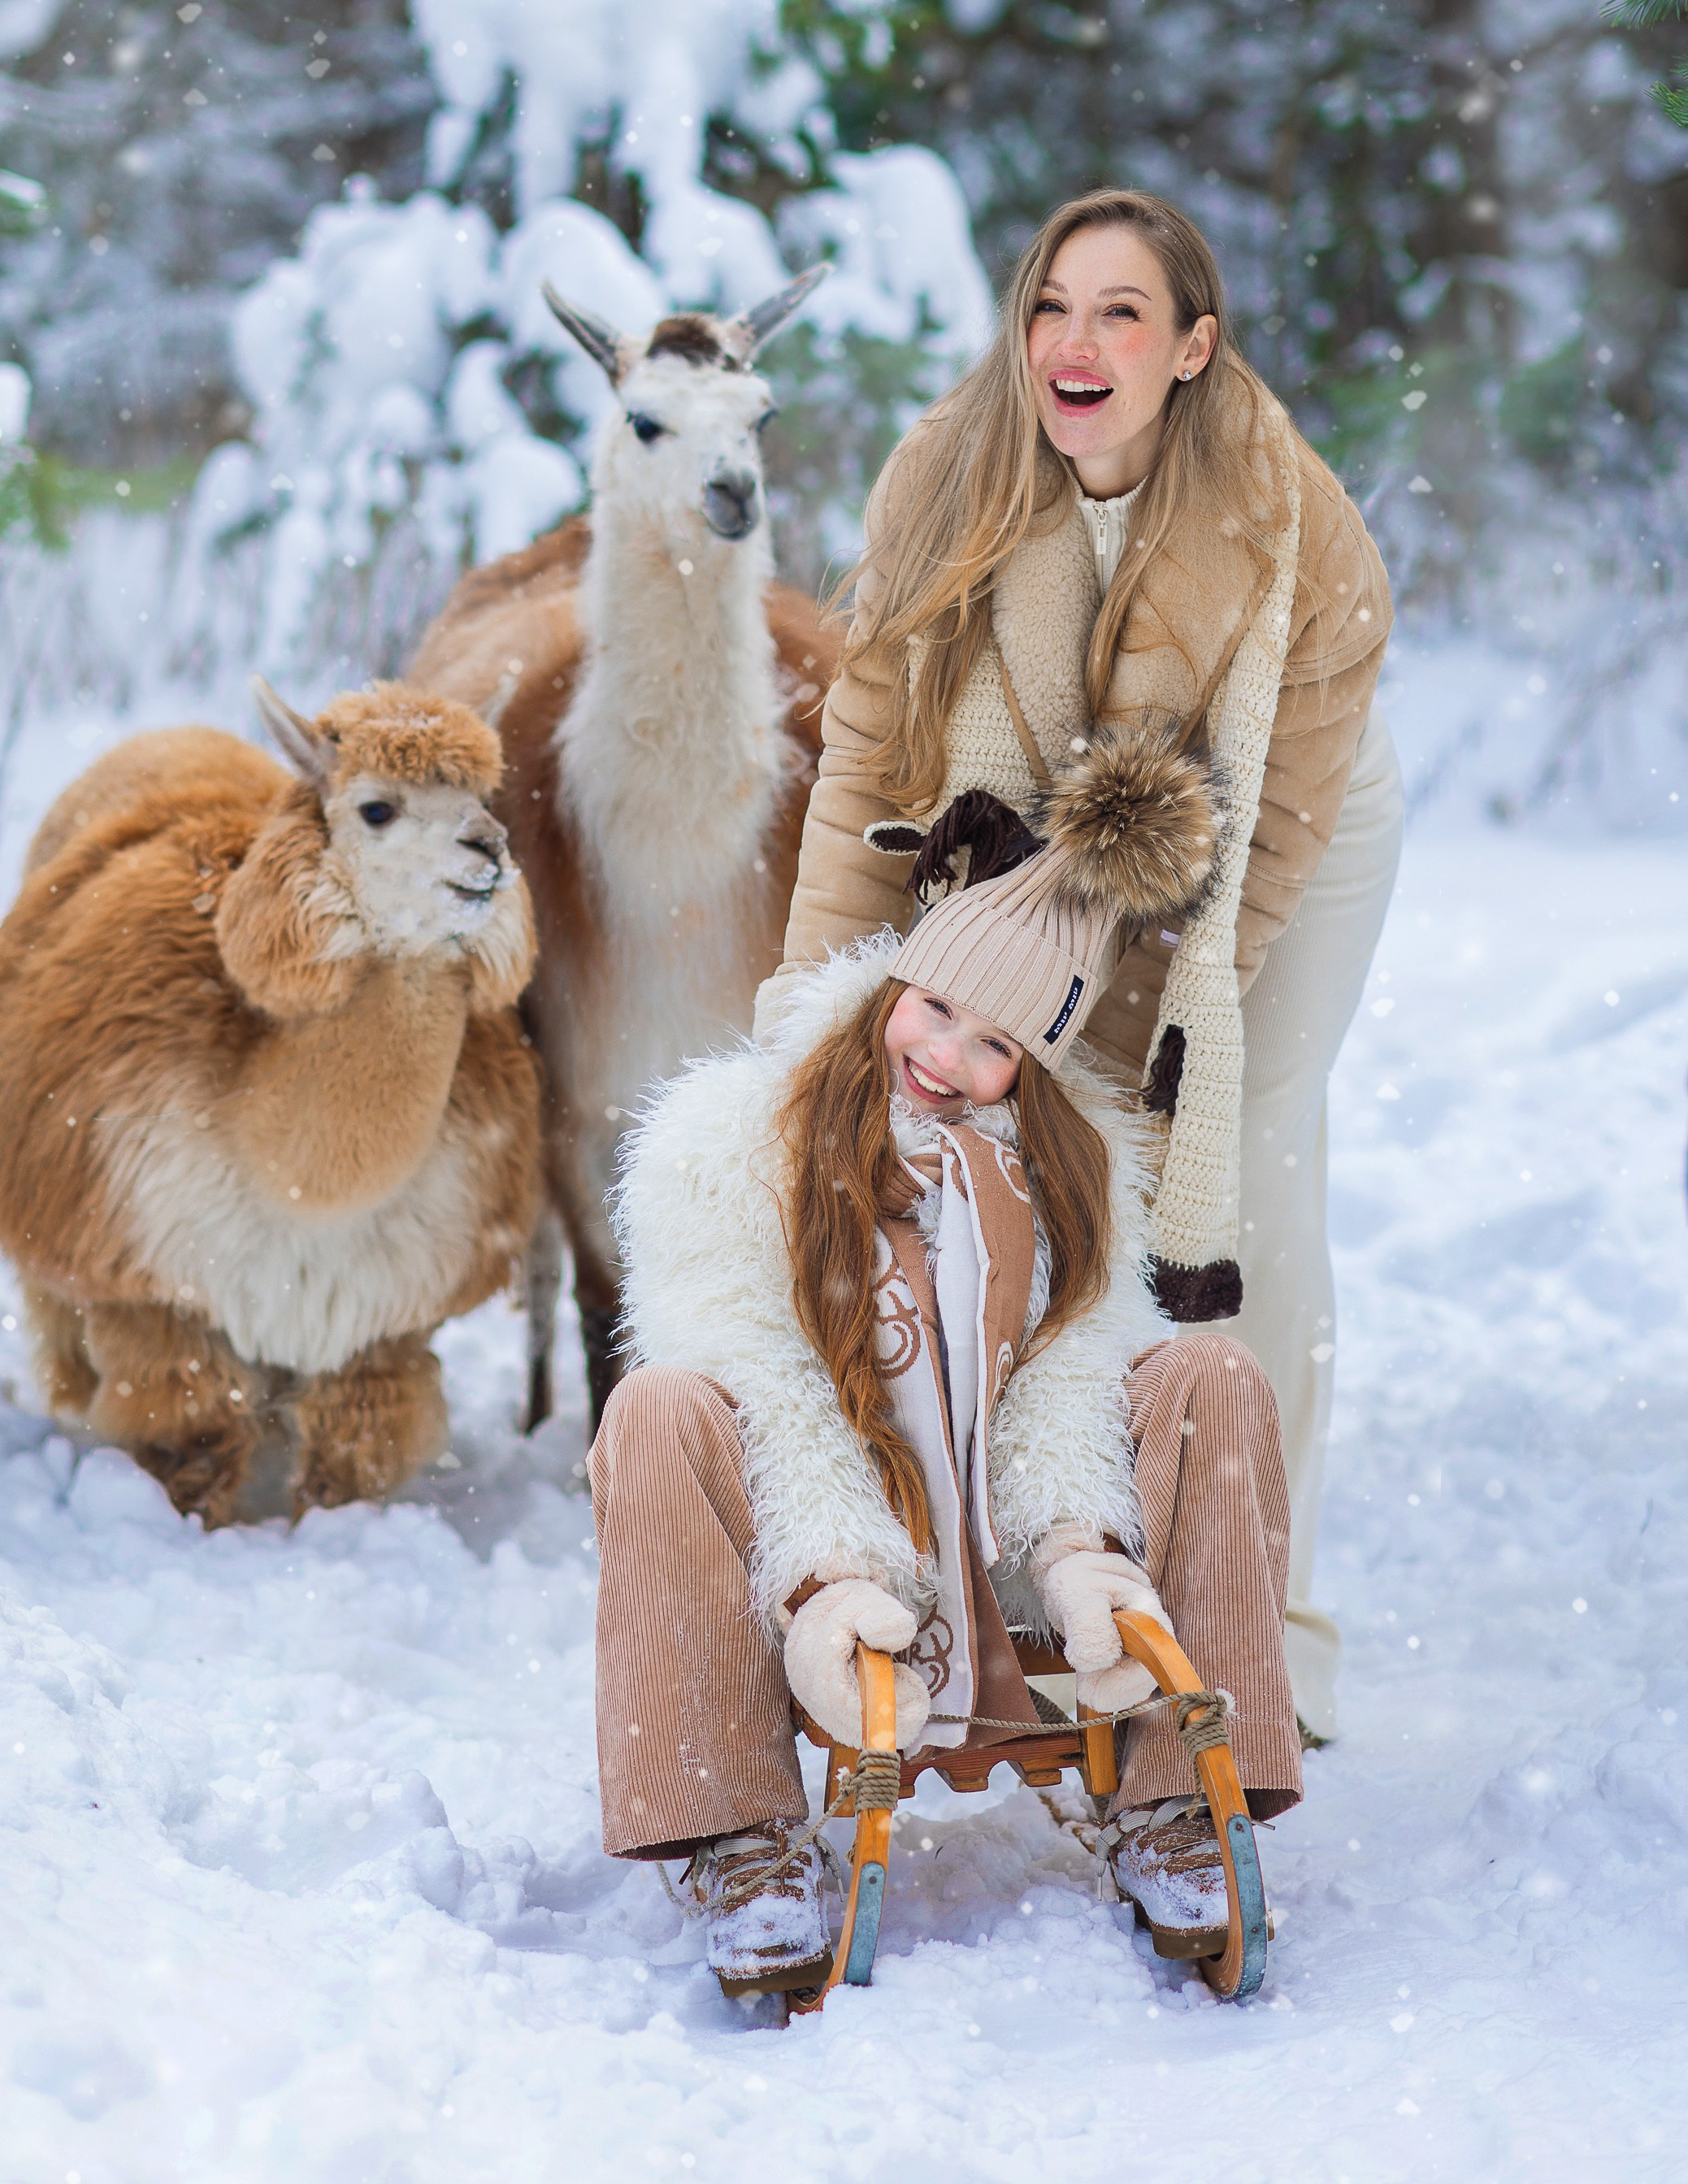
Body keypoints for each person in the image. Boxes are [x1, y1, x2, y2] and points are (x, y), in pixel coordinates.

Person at [757, 189, 1401, 1740]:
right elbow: (866, 765)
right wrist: (810, 1007)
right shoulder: (944, 475)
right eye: (1050, 305)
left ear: (1192, 347)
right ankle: (1026, 1561)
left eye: (1119, 311)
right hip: (1025, 840)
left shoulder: (1289, 520)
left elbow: (1268, 832)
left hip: (1274, 844)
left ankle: (1267, 1613)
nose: (1074, 342)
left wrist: (1142, 1029)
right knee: (972, 1156)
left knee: (1219, 1169)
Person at [592, 732, 1303, 2002]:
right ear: (891, 987)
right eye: (936, 1009)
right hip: (819, 1524)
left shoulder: (1057, 1174)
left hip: (995, 1526)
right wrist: (829, 1575)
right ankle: (736, 1833)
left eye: (996, 1048)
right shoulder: (728, 1139)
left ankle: (1174, 1799)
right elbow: (756, 1374)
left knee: (1209, 1378)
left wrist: (1077, 1543)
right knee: (655, 1407)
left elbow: (1066, 1371)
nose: (948, 1058)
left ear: (1028, 1070)